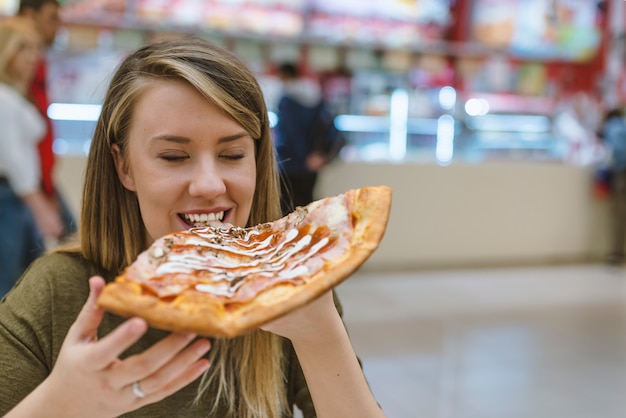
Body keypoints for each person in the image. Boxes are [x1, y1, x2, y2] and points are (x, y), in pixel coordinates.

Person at [0, 37, 385, 418]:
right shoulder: (56, 292)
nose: (209, 185)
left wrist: (321, 337)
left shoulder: (293, 284)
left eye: (232, 154)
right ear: (124, 166)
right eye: (173, 156)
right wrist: (56, 407)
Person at [0, 18, 64, 297]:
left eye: (35, 49)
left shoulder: (17, 95)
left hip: (16, 199)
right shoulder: (4, 98)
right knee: (10, 286)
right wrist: (39, 205)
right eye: (22, 48)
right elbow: (13, 158)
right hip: (9, 199)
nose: (31, 57)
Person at [17, 0, 77, 241]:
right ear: (30, 15)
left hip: (35, 180)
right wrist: (39, 194)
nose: (59, 25)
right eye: (52, 17)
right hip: (24, 183)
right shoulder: (18, 70)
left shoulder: (36, 63)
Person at [275, 63, 345, 215]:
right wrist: (315, 156)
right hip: (312, 165)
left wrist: (301, 156)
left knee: (286, 212)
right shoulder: (316, 96)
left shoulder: (287, 99)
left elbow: (290, 133)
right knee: (306, 210)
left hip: (290, 164)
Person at [601, 107, 626, 265]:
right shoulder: (623, 125)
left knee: (619, 214)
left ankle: (616, 254)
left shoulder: (612, 126)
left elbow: (617, 150)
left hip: (620, 174)